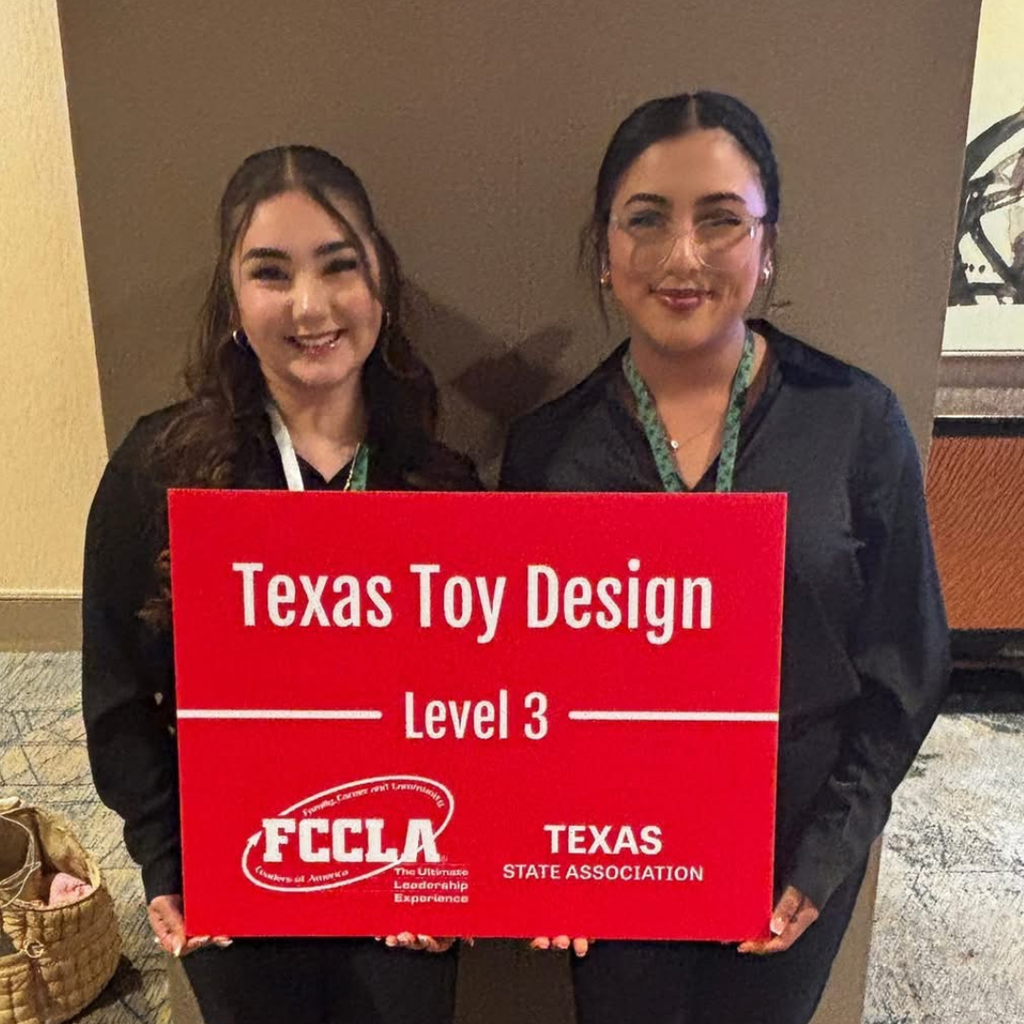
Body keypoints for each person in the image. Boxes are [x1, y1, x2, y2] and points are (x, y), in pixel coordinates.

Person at [500, 92, 949, 1024]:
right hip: (610, 859)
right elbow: (518, 683)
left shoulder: (856, 423)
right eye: (647, 220)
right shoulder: (548, 450)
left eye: (721, 221)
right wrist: (542, 858)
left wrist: (827, 854)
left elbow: (906, 666)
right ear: (604, 248)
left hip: (788, 861)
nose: (683, 256)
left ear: (768, 245)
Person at [82, 145, 479, 1024]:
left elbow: (480, 712)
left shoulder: (439, 482)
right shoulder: (156, 473)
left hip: (403, 885)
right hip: (241, 882)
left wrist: (463, 878)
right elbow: (117, 695)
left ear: (381, 282)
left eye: (339, 267)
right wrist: (168, 863)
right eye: (271, 273)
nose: (310, 306)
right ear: (231, 300)